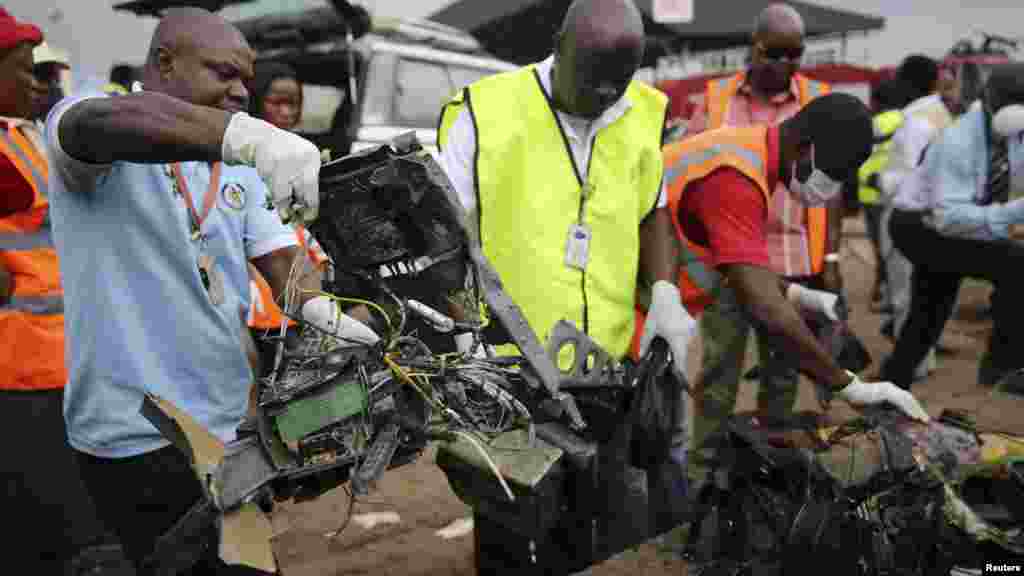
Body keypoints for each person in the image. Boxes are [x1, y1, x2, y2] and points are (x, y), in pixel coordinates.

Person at [45, 8, 378, 574]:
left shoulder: (234, 164)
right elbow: (105, 122)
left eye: (246, 80)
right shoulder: (93, 125)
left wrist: (320, 308)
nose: (241, 92)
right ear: (165, 62)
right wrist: (243, 135)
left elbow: (281, 260)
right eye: (224, 74)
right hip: (137, 433)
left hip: (231, 425)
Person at [437, 0, 694, 555]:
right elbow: (442, 237)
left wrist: (666, 292)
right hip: (509, 373)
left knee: (596, 524)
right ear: (558, 45)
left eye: (616, 85)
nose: (603, 97)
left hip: (606, 364)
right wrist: (463, 340)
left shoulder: (644, 111)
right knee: (512, 529)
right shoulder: (485, 111)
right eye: (590, 80)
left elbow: (653, 209)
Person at [643, 94, 930, 484]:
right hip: (628, 314)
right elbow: (762, 305)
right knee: (649, 445)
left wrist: (799, 296)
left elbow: (728, 261)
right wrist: (849, 386)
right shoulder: (736, 176)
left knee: (663, 437)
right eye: (837, 172)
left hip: (647, 312)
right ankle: (664, 526)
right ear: (807, 149)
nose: (834, 188)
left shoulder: (749, 154)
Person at [683, 3, 841, 476]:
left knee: (783, 370)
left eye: (796, 54)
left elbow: (832, 186)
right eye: (776, 53)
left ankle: (768, 470)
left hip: (791, 259)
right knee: (718, 371)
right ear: (754, 49)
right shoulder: (714, 101)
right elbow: (689, 168)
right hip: (728, 263)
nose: (787, 64)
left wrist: (830, 255)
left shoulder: (818, 99)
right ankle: (701, 473)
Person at [0, 8, 121, 574]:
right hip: (23, 376)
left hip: (60, 364)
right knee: (58, 536)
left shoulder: (20, 139)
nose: (36, 81)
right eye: (22, 69)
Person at [878, 64, 1024, 390]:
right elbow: (951, 218)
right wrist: (1012, 215)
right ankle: (1003, 366)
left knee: (931, 304)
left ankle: (894, 379)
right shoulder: (959, 141)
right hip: (917, 226)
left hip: (941, 224)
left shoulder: (1012, 134)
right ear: (990, 102)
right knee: (1016, 265)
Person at [876, 55, 952, 378]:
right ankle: (922, 358)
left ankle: (913, 364)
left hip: (907, 217)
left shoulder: (916, 122)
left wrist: (880, 180)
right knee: (926, 292)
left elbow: (906, 176)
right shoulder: (941, 116)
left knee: (905, 293)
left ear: (907, 83)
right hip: (935, 216)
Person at [858, 79, 911, 306]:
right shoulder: (907, 120)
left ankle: (884, 292)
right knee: (895, 247)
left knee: (881, 247)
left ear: (877, 101)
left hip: (873, 195)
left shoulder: (873, 124)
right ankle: (893, 292)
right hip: (897, 192)